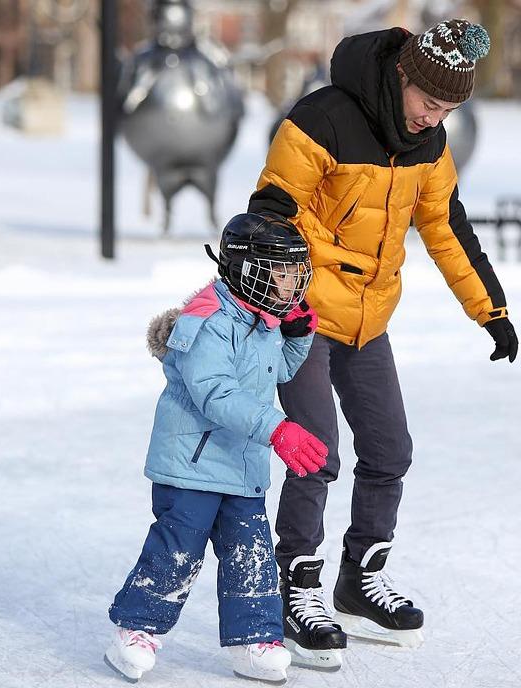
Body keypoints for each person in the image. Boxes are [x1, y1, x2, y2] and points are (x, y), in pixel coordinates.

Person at [247, 19, 520, 665]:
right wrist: (281, 303)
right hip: (303, 318)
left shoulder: (430, 145)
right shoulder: (322, 118)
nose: (435, 117)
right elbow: (270, 211)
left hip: (368, 321)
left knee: (390, 450)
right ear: (403, 74)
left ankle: (357, 580)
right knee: (316, 452)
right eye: (430, 101)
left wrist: (492, 311)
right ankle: (297, 587)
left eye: (450, 108)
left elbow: (447, 229)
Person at [103, 213, 330, 684]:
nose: (291, 284)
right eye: (281, 273)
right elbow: (214, 392)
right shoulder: (208, 319)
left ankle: (254, 639)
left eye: (295, 274)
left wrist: (297, 334)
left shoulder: (262, 316)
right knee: (177, 549)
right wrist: (277, 429)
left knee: (252, 552)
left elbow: (279, 373)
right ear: (247, 269)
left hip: (241, 465)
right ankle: (137, 628)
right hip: (192, 465)